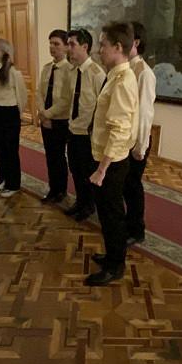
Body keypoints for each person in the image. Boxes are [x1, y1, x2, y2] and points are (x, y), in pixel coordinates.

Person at [86, 21, 139, 287]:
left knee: (112, 215)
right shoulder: (116, 76)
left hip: (112, 163)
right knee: (107, 214)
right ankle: (111, 256)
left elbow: (119, 130)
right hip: (106, 157)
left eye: (103, 45)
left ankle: (115, 266)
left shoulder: (123, 81)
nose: (99, 50)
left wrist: (102, 169)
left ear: (118, 47)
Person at [64, 28, 106, 222]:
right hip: (73, 129)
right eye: (68, 44)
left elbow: (102, 107)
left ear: (85, 46)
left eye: (72, 44)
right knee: (75, 169)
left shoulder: (97, 74)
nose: (69, 48)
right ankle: (80, 201)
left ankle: (89, 205)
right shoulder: (73, 72)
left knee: (86, 172)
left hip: (87, 135)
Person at [124, 21, 156, 246]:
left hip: (136, 140)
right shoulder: (125, 69)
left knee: (132, 186)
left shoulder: (144, 73)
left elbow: (145, 113)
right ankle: (128, 223)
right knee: (125, 185)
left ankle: (136, 229)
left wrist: (140, 146)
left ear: (136, 42)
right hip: (124, 138)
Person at [0, 37, 27, 198]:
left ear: (4, 51)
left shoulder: (14, 72)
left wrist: (19, 114)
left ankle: (13, 184)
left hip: (10, 112)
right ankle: (2, 179)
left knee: (11, 150)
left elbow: (22, 96)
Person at [37, 29, 74, 203]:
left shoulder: (70, 70)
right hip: (45, 119)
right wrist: (42, 113)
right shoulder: (47, 68)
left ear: (66, 47)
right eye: (50, 43)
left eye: (56, 44)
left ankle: (61, 190)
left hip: (60, 120)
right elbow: (39, 92)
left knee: (59, 157)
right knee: (50, 156)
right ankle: (53, 188)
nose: (52, 47)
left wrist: (47, 114)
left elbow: (66, 99)